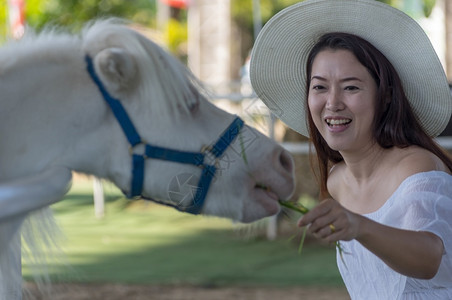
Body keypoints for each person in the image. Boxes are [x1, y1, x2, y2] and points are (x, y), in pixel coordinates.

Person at [249, 0, 452, 299]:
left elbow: (430, 257)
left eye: (351, 87)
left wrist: (360, 226)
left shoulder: (415, 167)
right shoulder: (337, 181)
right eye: (319, 87)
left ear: (385, 96)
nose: (332, 103)